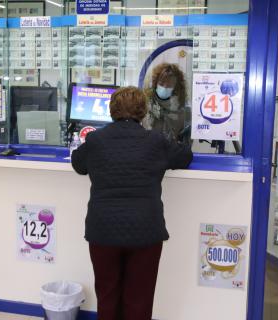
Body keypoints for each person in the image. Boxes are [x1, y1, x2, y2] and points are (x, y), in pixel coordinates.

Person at [71, 87, 193, 320]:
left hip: (103, 230)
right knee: (140, 299)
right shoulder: (155, 141)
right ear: (143, 112)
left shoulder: (96, 139)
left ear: (112, 111)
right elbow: (185, 157)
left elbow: (78, 163)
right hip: (145, 231)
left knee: (107, 295)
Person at [143, 63, 191, 145]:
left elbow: (186, 143)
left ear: (176, 88)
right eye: (161, 83)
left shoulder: (184, 112)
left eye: (169, 85)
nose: (164, 87)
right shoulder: (145, 107)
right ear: (155, 83)